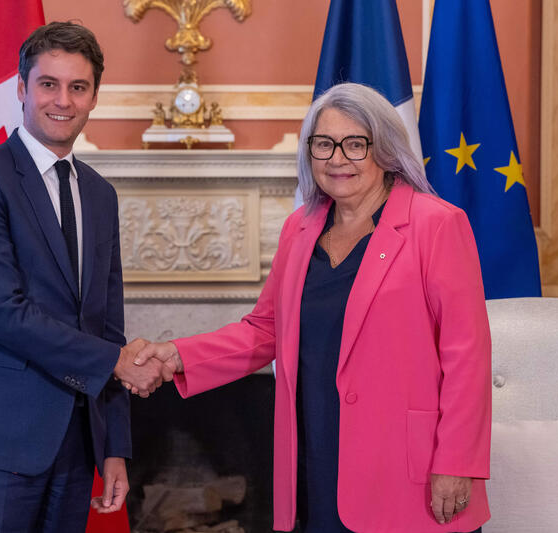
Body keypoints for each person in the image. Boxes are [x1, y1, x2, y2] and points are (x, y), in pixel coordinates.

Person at [132, 83, 492, 532]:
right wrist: (178, 354)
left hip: (409, 470)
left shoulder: (437, 225)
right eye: (324, 144)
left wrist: (457, 462)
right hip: (317, 457)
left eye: (355, 144)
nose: (337, 159)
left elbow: (467, 357)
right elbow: (265, 331)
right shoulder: (298, 229)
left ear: (384, 150)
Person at [0, 21, 164, 532]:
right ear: (22, 88)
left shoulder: (101, 195)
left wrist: (114, 447)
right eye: (48, 84)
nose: (63, 100)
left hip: (77, 443)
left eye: (78, 87)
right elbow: (1, 313)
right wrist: (118, 364)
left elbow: (108, 325)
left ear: (94, 97)